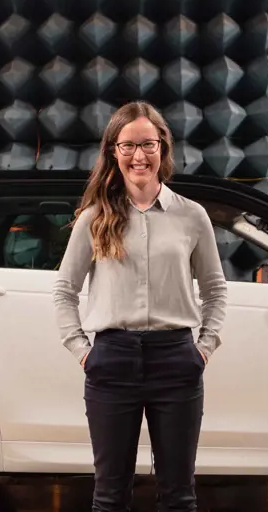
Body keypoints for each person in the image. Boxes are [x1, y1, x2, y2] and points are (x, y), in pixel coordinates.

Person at [53, 100, 229, 512]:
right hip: (111, 361)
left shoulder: (192, 216)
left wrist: (204, 348)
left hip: (176, 360)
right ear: (114, 151)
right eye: (128, 146)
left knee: (179, 495)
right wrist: (82, 352)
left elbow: (215, 290)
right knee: (110, 495)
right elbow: (64, 290)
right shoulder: (95, 217)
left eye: (148, 144)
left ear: (162, 148)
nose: (139, 156)